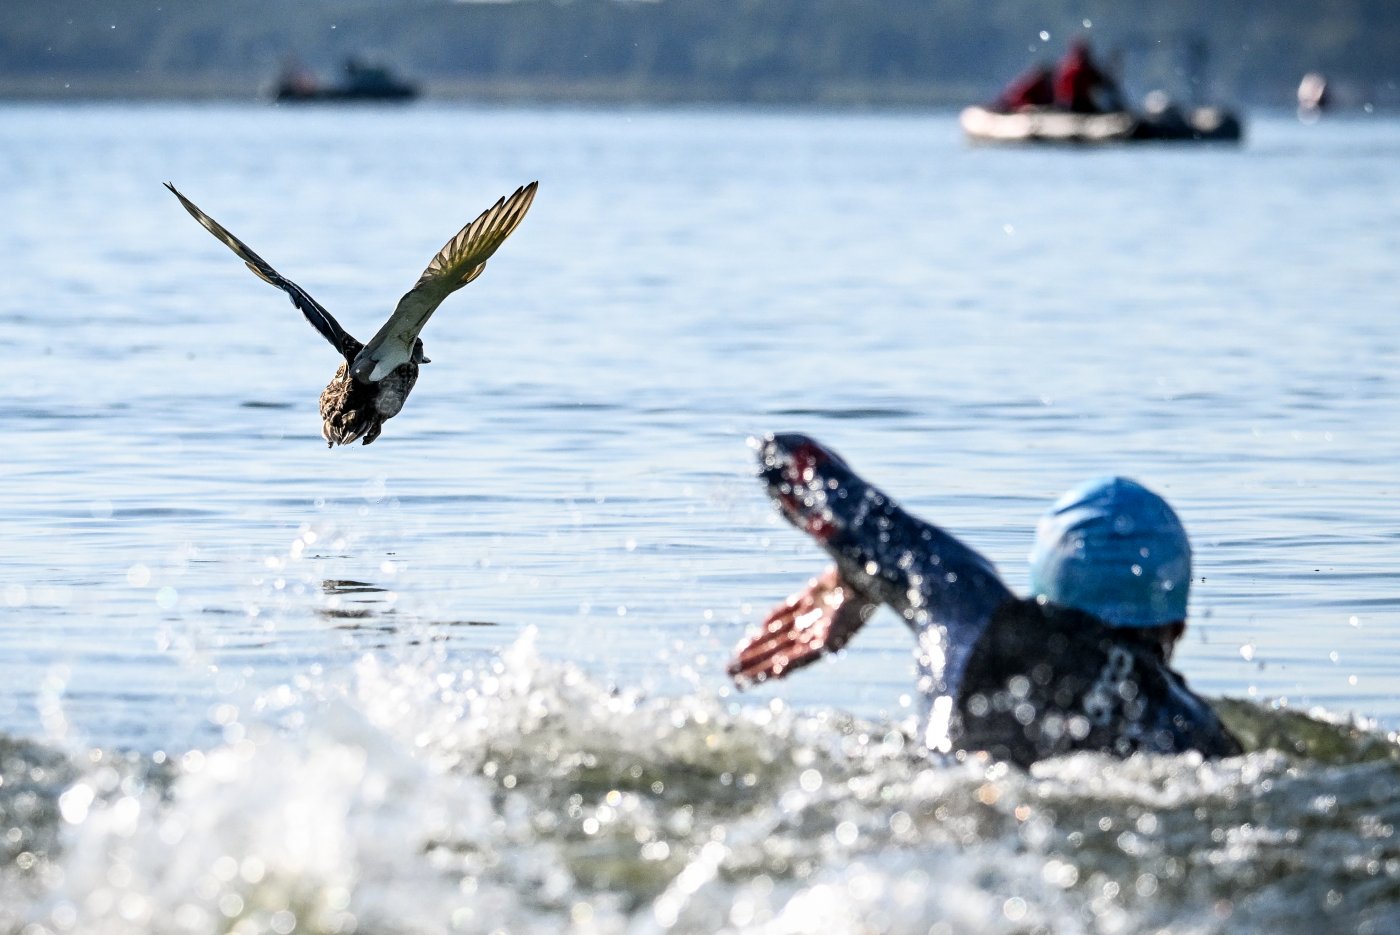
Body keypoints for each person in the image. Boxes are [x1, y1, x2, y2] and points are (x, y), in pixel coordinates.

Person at [729, 433, 1241, 766]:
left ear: (1042, 587)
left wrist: (863, 574)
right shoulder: (1196, 729)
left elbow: (790, 461)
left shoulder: (974, 613)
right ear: (1177, 624)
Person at [1053, 38, 1122, 114]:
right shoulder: (1082, 68)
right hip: (1076, 103)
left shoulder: (1066, 66)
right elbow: (1101, 80)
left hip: (1068, 103)